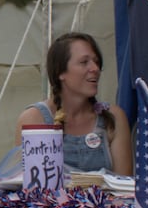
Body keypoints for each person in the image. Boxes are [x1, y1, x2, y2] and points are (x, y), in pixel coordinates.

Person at [16, 32, 134, 176]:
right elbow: (29, 185)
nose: (95, 68)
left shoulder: (113, 117)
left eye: (96, 62)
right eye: (84, 62)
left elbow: (125, 187)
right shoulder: (35, 118)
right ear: (61, 72)